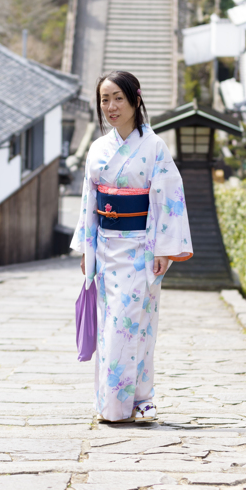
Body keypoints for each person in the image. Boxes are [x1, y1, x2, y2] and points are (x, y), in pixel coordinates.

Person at [71, 71, 193, 423]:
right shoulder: (98, 148)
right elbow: (88, 199)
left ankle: (135, 400)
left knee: (135, 325)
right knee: (115, 324)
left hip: (141, 249)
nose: (110, 106)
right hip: (107, 249)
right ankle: (119, 402)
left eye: (117, 98)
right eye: (104, 99)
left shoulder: (154, 147)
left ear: (136, 100)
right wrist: (87, 249)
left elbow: (169, 197)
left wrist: (164, 250)